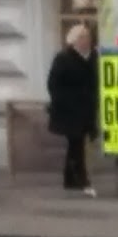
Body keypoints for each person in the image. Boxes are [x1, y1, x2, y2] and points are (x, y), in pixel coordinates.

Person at [46, 25, 98, 197]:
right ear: (74, 41)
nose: (87, 40)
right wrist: (64, 101)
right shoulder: (63, 58)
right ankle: (81, 179)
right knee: (76, 144)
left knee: (76, 144)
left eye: (88, 37)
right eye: (83, 37)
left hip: (87, 109)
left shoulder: (93, 57)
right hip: (70, 110)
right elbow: (53, 84)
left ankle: (71, 178)